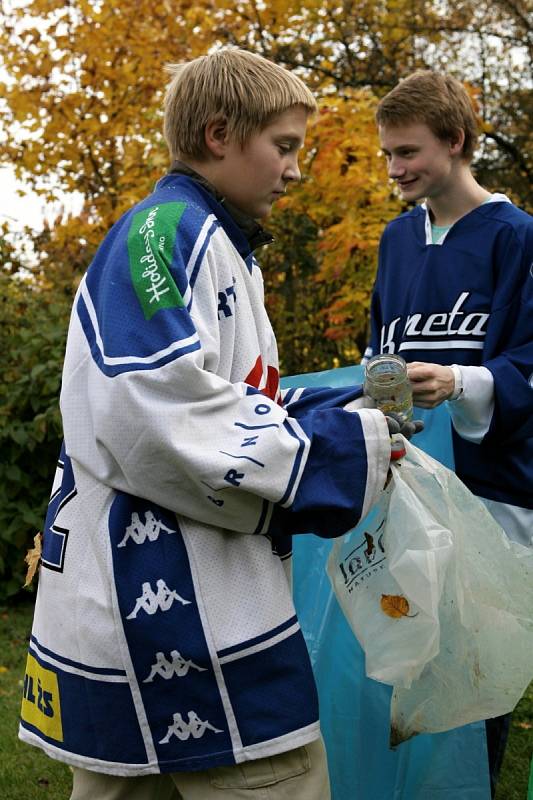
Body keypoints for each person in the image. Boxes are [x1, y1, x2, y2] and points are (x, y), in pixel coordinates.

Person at [19, 48, 417, 800]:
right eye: (284, 146)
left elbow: (228, 400)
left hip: (162, 600)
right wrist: (331, 453)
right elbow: (147, 405)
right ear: (217, 135)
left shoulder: (221, 248)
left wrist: (351, 413)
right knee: (283, 781)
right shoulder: (165, 234)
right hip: (173, 611)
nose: (295, 171)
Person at [365, 69, 533, 798]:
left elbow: (527, 359)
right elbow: (380, 350)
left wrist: (463, 382)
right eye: (387, 157)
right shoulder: (395, 240)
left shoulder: (516, 236)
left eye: (408, 152)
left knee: (476, 673)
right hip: (408, 483)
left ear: (456, 142)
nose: (396, 169)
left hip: (495, 493)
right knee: (401, 658)